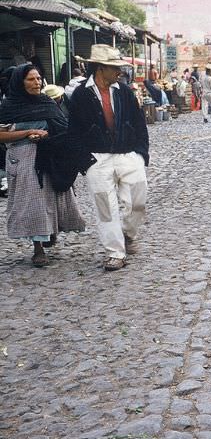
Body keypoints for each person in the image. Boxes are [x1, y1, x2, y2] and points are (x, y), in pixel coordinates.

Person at [0, 64, 90, 267]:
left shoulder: (47, 103)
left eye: (39, 79)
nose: (37, 83)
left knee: (53, 196)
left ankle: (50, 230)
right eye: (31, 79)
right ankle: (38, 247)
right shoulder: (8, 107)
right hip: (23, 159)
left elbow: (62, 128)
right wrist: (27, 132)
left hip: (50, 156)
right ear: (20, 82)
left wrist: (49, 136)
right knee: (34, 202)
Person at [70, 45, 149, 272]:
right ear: (100, 68)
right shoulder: (81, 95)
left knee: (138, 201)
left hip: (127, 154)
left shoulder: (124, 91)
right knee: (106, 208)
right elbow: (73, 131)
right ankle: (115, 253)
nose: (119, 71)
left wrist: (141, 153)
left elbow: (139, 123)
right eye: (114, 68)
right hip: (97, 159)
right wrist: (85, 162)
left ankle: (127, 233)